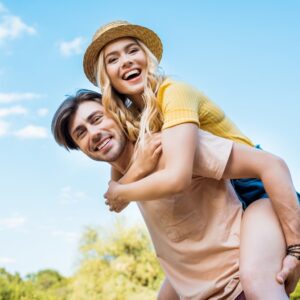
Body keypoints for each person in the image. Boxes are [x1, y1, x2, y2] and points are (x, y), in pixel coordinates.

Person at [82, 20, 300, 297]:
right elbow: (119, 189)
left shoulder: (174, 93)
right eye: (113, 59)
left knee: (256, 280)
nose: (125, 61)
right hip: (219, 203)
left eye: (132, 51)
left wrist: (296, 249)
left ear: (146, 58)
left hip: (256, 191)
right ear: (107, 77)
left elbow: (173, 177)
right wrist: (127, 183)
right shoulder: (135, 120)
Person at [52, 90, 299, 299]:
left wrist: (295, 249)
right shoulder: (125, 174)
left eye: (97, 118)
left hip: (240, 288)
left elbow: (271, 165)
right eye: (80, 133)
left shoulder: (173, 144)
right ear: (80, 148)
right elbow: (115, 196)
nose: (93, 133)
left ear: (116, 113)